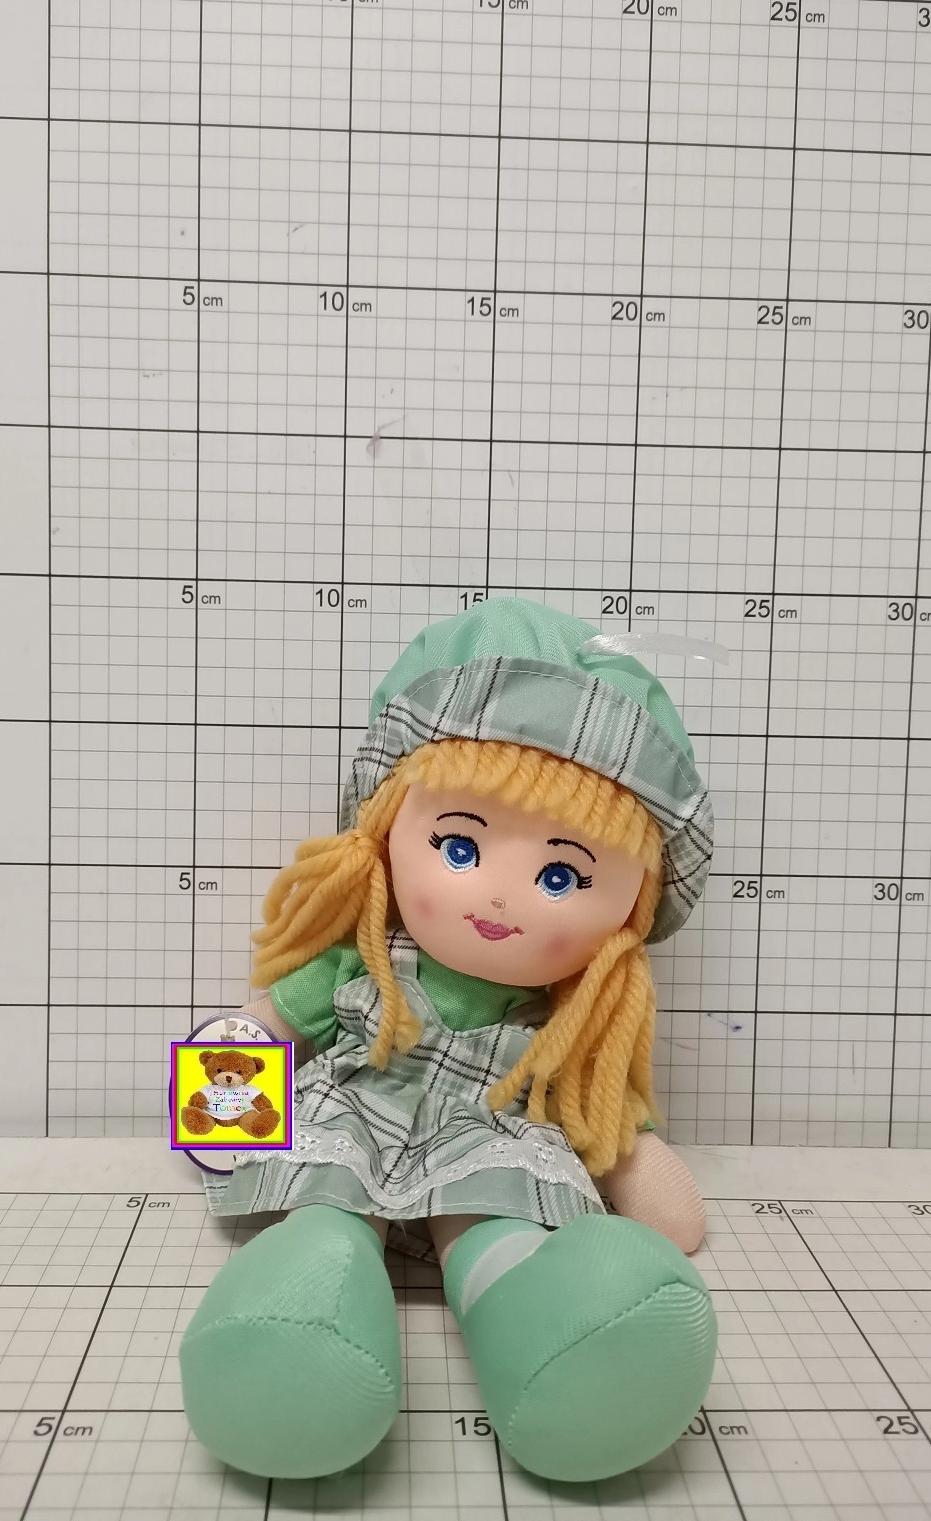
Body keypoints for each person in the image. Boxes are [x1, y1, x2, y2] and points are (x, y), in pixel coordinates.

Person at [179, 598, 717, 1481]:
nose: (500, 897)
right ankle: (304, 1310)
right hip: (360, 1116)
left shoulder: (567, 1019)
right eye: (460, 849)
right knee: (329, 1215)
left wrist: (642, 1167)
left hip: (489, 1136)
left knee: (496, 1221)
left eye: (561, 874)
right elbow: (267, 1026)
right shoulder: (363, 965)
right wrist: (223, 1105)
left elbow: (613, 1119)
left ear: (634, 906)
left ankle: (556, 1338)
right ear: (385, 831)